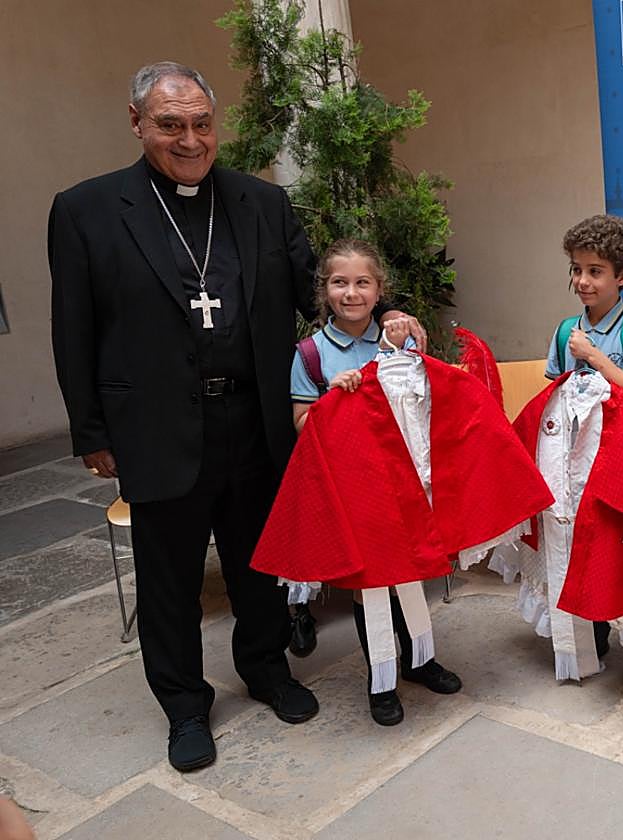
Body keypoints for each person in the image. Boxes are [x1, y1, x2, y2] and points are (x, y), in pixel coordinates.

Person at [47, 62, 422, 772]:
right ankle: (185, 705)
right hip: (155, 428)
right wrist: (91, 430)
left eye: (201, 124)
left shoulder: (260, 203)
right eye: (169, 124)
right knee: (170, 578)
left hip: (254, 421)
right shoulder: (87, 210)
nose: (189, 139)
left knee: (260, 565)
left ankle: (266, 669)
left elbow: (328, 290)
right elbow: (74, 329)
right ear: (136, 124)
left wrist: (389, 314)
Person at [289, 239, 461, 726]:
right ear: (324, 290)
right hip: (354, 487)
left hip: (404, 476)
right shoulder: (311, 354)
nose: (351, 293)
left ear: (379, 288)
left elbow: (424, 392)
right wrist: (334, 400)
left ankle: (420, 659)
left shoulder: (398, 338)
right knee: (373, 586)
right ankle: (381, 679)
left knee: (411, 573)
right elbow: (301, 422)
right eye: (339, 283)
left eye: (362, 282)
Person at [539, 214, 623, 686]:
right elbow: (555, 393)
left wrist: (593, 356)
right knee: (583, 546)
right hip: (577, 458)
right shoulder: (564, 329)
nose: (582, 281)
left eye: (594, 271)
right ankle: (592, 632)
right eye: (576, 269)